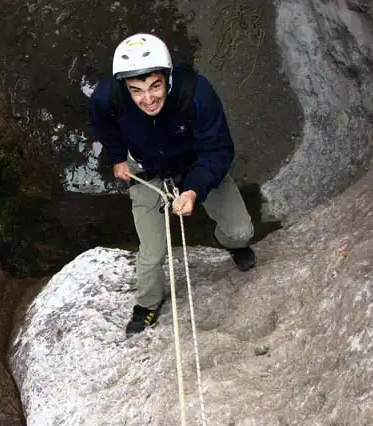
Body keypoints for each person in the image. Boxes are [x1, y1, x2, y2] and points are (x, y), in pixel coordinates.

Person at [89, 33, 257, 337]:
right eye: (136, 90)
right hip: (148, 168)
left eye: (154, 86)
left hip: (195, 161)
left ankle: (231, 244)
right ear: (125, 87)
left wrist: (193, 189)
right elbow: (104, 124)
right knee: (152, 253)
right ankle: (148, 305)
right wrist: (117, 158)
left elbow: (218, 150)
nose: (148, 99)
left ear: (166, 77)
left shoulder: (196, 94)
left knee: (241, 233)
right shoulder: (108, 97)